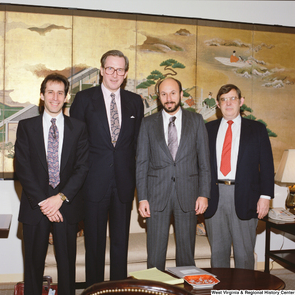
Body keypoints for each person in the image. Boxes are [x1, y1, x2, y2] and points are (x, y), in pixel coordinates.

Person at [70, 50, 144, 285]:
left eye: (120, 69)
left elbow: (137, 145)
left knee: (121, 243)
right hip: (93, 183)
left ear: (125, 74)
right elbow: (75, 145)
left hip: (123, 184)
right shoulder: (83, 99)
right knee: (94, 244)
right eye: (110, 68)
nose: (114, 73)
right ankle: (94, 290)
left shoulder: (135, 102)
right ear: (101, 70)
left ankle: (118, 290)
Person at [15, 73, 89, 295]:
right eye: (50, 92)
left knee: (67, 269)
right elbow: (22, 168)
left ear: (66, 97)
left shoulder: (79, 128)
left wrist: (60, 198)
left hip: (66, 206)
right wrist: (43, 202)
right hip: (34, 208)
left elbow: (82, 167)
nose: (55, 98)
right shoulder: (26, 127)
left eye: (60, 93)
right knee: (33, 268)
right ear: (41, 95)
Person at [136, 77, 211, 271]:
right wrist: (142, 198)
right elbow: (142, 163)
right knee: (155, 255)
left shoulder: (196, 120)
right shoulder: (147, 123)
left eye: (172, 93)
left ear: (181, 94)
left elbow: (204, 162)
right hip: (156, 196)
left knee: (186, 255)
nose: (168, 98)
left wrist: (203, 194)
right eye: (163, 94)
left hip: (188, 195)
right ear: (158, 97)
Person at [205, 84, 274, 269]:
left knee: (244, 255)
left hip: (246, 196)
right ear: (218, 105)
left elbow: (267, 165)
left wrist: (265, 197)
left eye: (232, 98)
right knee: (218, 253)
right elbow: (201, 166)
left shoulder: (257, 129)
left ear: (241, 101)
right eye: (223, 100)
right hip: (214, 196)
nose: (228, 103)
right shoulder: (207, 129)